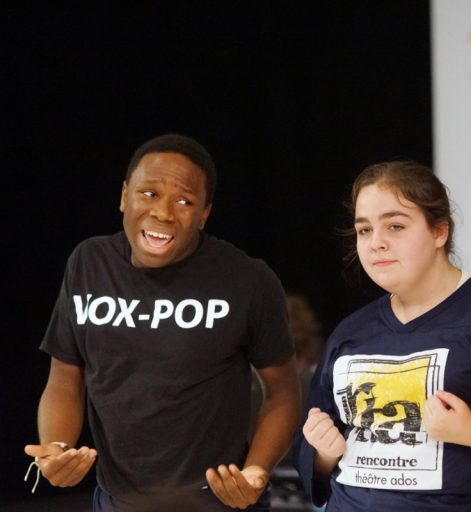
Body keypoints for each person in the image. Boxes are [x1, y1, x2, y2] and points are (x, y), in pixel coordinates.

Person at [24, 133, 301, 511]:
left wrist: (256, 470)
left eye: (184, 200)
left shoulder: (247, 279)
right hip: (116, 500)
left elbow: (283, 391)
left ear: (204, 214)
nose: (164, 213)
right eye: (149, 193)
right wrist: (56, 448)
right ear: (125, 196)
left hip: (216, 502)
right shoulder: (89, 263)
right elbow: (65, 376)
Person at [296, 160, 471, 511]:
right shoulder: (350, 332)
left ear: (440, 231)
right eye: (364, 230)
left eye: (395, 226)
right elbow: (319, 459)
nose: (376, 243)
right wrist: (324, 454)